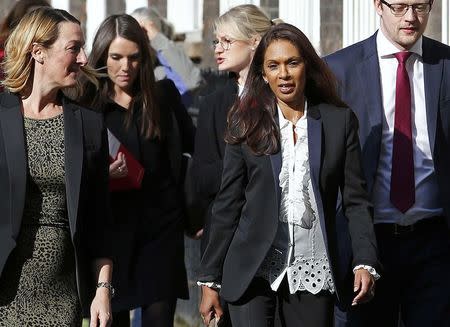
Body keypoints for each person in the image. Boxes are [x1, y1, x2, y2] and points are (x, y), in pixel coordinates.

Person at [198, 23, 380, 327]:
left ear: (307, 65)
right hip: (251, 270)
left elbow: (356, 200)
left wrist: (365, 260)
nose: (283, 74)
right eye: (273, 65)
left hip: (313, 267)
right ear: (263, 74)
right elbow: (227, 204)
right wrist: (209, 278)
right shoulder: (245, 123)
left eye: (292, 63)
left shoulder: (339, 121)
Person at [324, 1, 450, 326]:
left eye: (420, 6)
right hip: (367, 244)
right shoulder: (339, 70)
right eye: (400, 6)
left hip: (434, 242)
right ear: (378, 5)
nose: (411, 17)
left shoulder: (447, 64)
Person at [79, 14, 194, 327]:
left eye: (133, 58)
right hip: (110, 235)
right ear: (102, 56)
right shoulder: (86, 105)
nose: (125, 67)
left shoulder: (164, 97)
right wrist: (102, 175)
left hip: (161, 232)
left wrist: (194, 213)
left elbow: (192, 153)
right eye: (116, 57)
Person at [0, 7, 113, 327]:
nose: (83, 59)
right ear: (38, 52)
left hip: (63, 292)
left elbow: (100, 220)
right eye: (73, 48)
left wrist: (102, 291)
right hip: (4, 291)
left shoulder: (89, 124)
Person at [192, 3, 273, 251]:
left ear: (254, 42)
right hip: (227, 232)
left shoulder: (280, 96)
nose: (218, 49)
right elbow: (201, 178)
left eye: (226, 41)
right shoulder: (212, 103)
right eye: (216, 42)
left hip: (275, 229)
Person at [130, 6, 202, 108]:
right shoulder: (125, 66)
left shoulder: (165, 71)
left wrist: (157, 38)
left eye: (144, 35)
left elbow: (191, 83)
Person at [0, 0, 51, 91]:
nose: (38, 28)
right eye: (33, 22)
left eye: (44, 22)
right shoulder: (3, 53)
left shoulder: (57, 52)